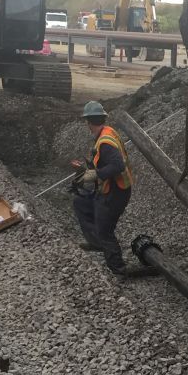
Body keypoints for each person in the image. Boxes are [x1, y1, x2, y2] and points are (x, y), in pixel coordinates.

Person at [72, 101, 136, 275]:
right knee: (81, 203)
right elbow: (106, 162)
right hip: (113, 189)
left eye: (87, 122)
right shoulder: (107, 133)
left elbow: (117, 165)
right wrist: (88, 169)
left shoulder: (105, 142)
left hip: (117, 192)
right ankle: (96, 242)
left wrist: (95, 175)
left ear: (89, 122)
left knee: (104, 229)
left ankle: (118, 267)